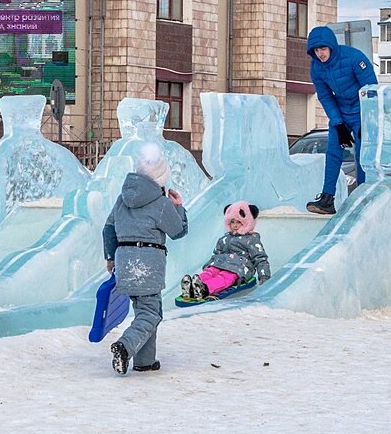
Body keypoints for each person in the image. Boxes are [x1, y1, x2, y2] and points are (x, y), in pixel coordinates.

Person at [102, 141, 189, 375]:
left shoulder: (122, 199)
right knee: (151, 313)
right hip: (147, 262)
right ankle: (125, 346)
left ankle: (145, 361)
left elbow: (108, 228)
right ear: (161, 178)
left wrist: (111, 258)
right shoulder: (160, 204)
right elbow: (178, 231)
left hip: (124, 261)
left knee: (145, 310)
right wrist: (178, 207)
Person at [305, 25, 378, 215]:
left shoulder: (354, 57)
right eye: (316, 50)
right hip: (342, 112)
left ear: (331, 46)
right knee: (333, 151)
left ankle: (364, 197)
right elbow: (325, 96)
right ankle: (327, 199)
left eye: (323, 48)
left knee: (362, 154)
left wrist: (367, 120)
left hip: (363, 110)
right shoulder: (316, 68)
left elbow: (371, 90)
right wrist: (338, 123)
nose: (320, 54)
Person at [179, 201, 271, 301]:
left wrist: (264, 276)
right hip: (220, 263)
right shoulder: (224, 238)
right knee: (210, 272)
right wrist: (209, 265)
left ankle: (204, 289)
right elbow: (216, 253)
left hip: (238, 268)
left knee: (224, 277)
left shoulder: (251, 239)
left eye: (239, 222)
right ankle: (192, 286)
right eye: (232, 222)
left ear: (247, 222)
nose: (235, 225)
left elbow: (260, 258)